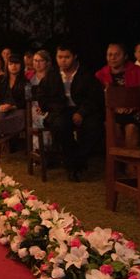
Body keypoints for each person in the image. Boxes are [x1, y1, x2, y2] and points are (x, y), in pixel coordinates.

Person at [37, 44, 104, 181]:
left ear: (74, 57)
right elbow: (42, 97)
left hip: (82, 110)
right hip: (60, 111)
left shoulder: (85, 74)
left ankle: (76, 160)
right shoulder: (52, 75)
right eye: (60, 57)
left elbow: (94, 97)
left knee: (95, 126)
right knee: (60, 125)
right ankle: (74, 164)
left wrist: (81, 112)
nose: (63, 60)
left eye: (67, 57)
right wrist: (55, 108)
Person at [95, 42, 140, 148]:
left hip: (134, 111)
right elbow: (98, 98)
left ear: (125, 56)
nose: (113, 58)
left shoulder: (137, 71)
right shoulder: (100, 74)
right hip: (112, 112)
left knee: (131, 127)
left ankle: (131, 162)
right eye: (110, 55)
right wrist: (115, 108)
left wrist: (131, 106)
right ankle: (117, 162)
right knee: (112, 126)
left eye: (117, 55)